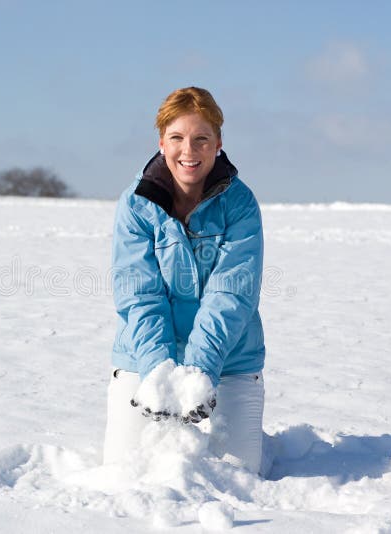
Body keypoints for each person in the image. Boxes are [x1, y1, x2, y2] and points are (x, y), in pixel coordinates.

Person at [103, 87, 266, 475]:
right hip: (144, 361)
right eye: (176, 138)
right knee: (124, 473)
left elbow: (231, 295)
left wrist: (198, 375)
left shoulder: (241, 204)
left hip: (230, 362)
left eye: (201, 139)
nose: (188, 151)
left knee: (239, 477)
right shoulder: (135, 203)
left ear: (218, 143)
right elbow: (139, 296)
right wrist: (159, 373)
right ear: (161, 143)